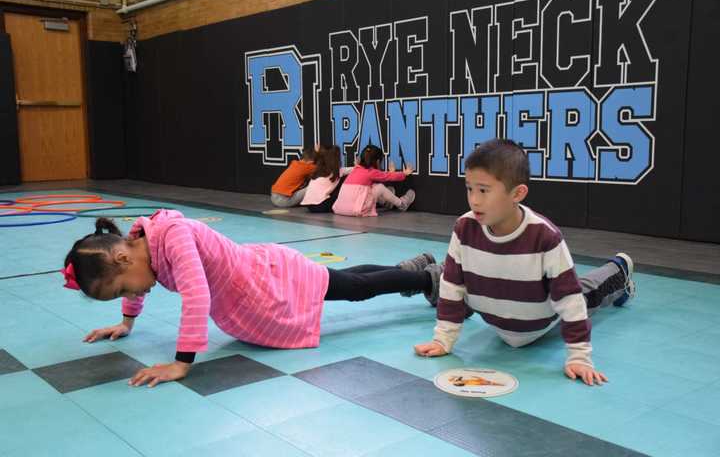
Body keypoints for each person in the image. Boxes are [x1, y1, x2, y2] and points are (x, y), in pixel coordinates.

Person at [62, 211, 442, 387]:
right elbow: (143, 286)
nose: (133, 293)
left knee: (353, 288)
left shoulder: (173, 237)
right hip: (259, 282)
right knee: (347, 279)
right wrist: (126, 323)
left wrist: (181, 363)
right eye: (123, 296)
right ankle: (408, 270)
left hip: (271, 281)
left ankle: (428, 279)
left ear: (124, 257)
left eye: (124, 288)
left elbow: (197, 294)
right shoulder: (144, 249)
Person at [414, 140, 636, 386]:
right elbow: (452, 287)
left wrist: (579, 358)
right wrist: (442, 340)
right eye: (469, 188)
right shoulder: (464, 228)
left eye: (484, 190)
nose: (474, 200)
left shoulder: (545, 236)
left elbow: (569, 302)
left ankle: (619, 271)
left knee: (585, 293)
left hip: (544, 318)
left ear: (517, 193)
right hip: (504, 324)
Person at [332, 144, 416, 216]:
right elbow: (387, 176)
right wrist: (404, 173)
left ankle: (385, 201)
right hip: (355, 210)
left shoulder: (355, 169)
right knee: (379, 187)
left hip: (340, 209)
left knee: (371, 187)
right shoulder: (370, 172)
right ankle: (402, 204)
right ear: (378, 161)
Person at [300, 145, 352, 213]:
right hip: (321, 206)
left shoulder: (318, 170)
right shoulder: (337, 172)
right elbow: (352, 170)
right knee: (344, 179)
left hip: (309, 206)